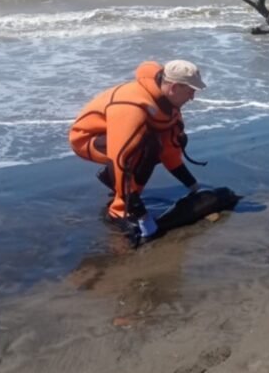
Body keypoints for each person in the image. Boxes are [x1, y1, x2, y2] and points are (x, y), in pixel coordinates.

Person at [69, 59, 206, 243]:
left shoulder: (168, 103)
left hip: (124, 137)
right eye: (189, 91)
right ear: (173, 87)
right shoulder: (132, 106)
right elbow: (120, 159)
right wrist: (140, 213)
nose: (192, 97)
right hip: (89, 138)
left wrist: (192, 185)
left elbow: (170, 150)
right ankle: (117, 211)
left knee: (172, 138)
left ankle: (114, 181)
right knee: (144, 147)